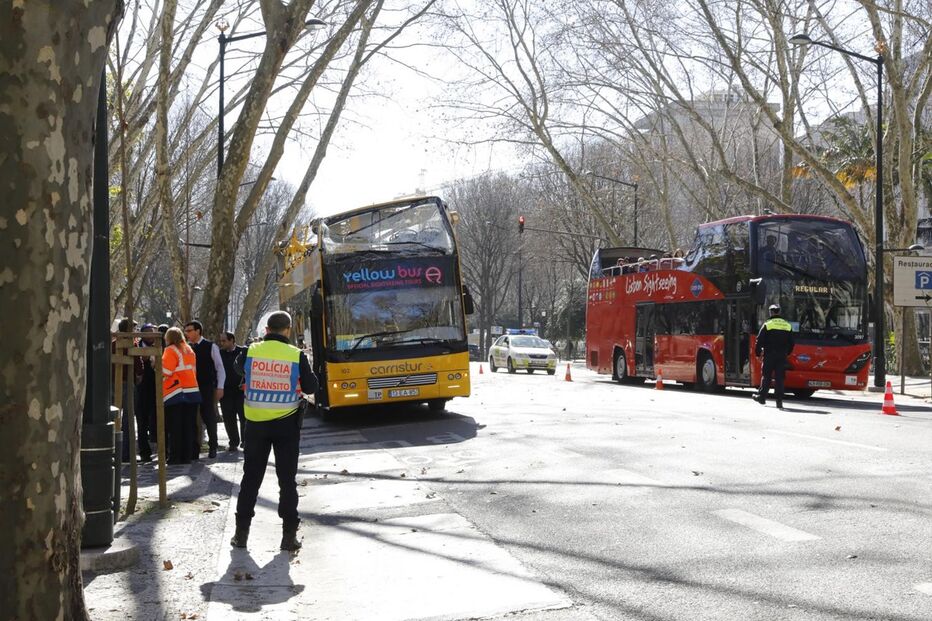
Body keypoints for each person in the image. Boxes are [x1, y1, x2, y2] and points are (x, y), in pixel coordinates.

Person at [231, 311, 318, 552]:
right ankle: (288, 537)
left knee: (251, 479)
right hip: (287, 425)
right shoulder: (296, 355)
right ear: (288, 330)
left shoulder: (250, 351)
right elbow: (311, 386)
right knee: (286, 481)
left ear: (267, 330)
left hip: (255, 425)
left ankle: (241, 535)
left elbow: (238, 369)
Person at [184, 320, 226, 459]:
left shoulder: (210, 346)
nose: (187, 334)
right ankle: (194, 449)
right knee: (191, 418)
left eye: (190, 330)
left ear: (198, 331)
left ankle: (212, 446)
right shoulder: (187, 348)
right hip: (190, 387)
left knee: (209, 416)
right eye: (186, 331)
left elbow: (220, 368)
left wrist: (220, 387)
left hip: (207, 387)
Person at [161, 327, 201, 464]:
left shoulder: (170, 350)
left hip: (176, 391)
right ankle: (187, 456)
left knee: (175, 426)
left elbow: (166, 370)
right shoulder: (189, 349)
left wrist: (156, 364)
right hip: (192, 391)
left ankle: (175, 457)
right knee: (188, 426)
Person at [753, 304, 795, 409]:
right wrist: (787, 353)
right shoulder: (787, 325)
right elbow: (792, 343)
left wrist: (758, 353)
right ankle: (779, 402)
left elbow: (759, 340)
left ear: (771, 312)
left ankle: (762, 398)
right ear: (779, 312)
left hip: (769, 355)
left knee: (766, 376)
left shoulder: (768, 324)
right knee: (780, 378)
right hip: (782, 356)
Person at [218, 331, 247, 452]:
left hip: (241, 391)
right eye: (221, 341)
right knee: (229, 418)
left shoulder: (243, 352)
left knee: (244, 417)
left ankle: (245, 441)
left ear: (232, 340)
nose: (222, 343)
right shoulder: (219, 353)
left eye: (224, 341)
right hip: (226, 391)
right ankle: (233, 442)